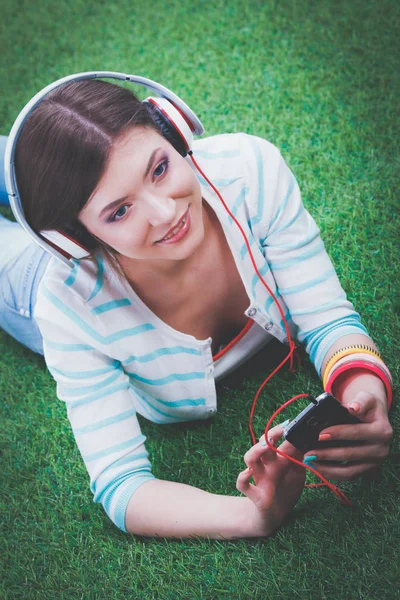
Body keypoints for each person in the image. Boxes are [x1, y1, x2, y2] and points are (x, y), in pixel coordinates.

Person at [0, 77, 393, 539]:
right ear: (72, 238)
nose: (166, 213)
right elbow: (121, 485)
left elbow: (328, 320)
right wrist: (252, 516)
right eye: (119, 211)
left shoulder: (250, 173)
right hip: (24, 284)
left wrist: (364, 387)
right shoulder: (66, 304)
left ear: (175, 132)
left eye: (159, 168)